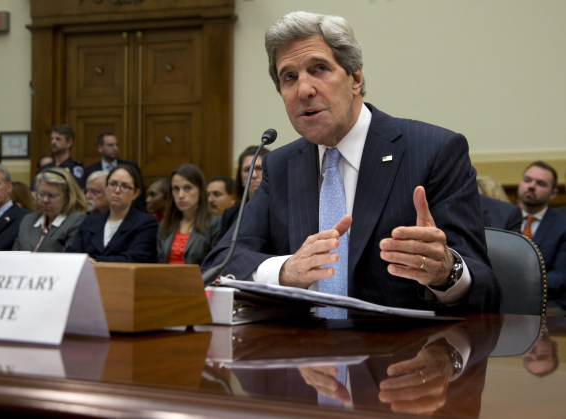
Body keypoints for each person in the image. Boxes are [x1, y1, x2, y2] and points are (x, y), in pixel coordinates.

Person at [202, 11, 500, 314]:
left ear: (355, 78)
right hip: (300, 353)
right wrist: (286, 271)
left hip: (404, 354)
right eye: (289, 77)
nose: (304, 90)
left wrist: (446, 271)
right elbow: (220, 264)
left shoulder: (434, 152)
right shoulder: (280, 166)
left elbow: (486, 290)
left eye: (319, 68)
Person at [67, 165, 158, 262]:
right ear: (106, 188)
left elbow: (135, 258)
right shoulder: (89, 222)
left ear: (135, 193)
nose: (117, 190)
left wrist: (93, 261)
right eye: (113, 184)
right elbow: (72, 254)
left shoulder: (146, 223)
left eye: (125, 186)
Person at [517, 161, 566, 314]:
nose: (531, 186)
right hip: (501, 303)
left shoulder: (562, 225)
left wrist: (519, 284)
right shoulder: (500, 219)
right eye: (527, 180)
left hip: (546, 304)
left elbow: (560, 276)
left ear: (553, 194)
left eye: (541, 183)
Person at [157, 164, 222, 265]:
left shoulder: (215, 223)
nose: (181, 195)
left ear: (200, 191)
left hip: (199, 280)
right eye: (176, 189)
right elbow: (160, 262)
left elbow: (216, 264)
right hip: (166, 279)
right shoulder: (165, 224)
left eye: (187, 188)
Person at [14, 168, 87, 252]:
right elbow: (15, 255)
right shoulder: (28, 220)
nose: (45, 200)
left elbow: (68, 259)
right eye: (41, 194)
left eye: (52, 196)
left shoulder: (76, 220)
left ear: (67, 197)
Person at [83, 133, 146, 212]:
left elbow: (140, 197)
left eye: (117, 145)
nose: (115, 148)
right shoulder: (89, 170)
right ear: (100, 148)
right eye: (110, 145)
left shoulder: (131, 167)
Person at [220, 146, 271, 233]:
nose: (254, 175)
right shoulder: (230, 215)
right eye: (248, 169)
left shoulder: (283, 210)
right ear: (240, 177)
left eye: (259, 168)